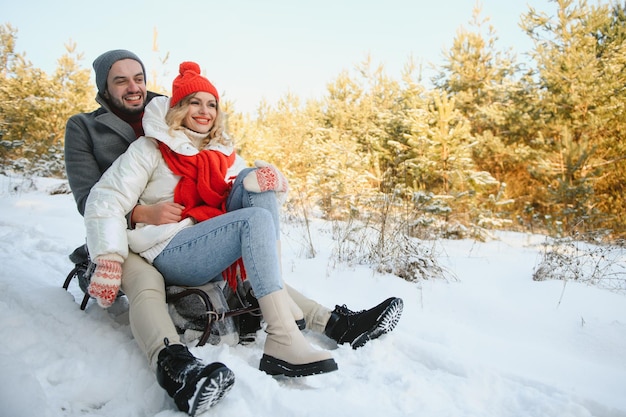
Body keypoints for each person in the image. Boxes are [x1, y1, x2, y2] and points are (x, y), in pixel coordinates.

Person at [83, 60, 340, 376]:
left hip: (209, 245)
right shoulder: (149, 148)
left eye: (211, 104)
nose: (204, 111)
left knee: (253, 178)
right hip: (168, 249)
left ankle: (281, 324)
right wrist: (108, 257)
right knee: (253, 219)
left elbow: (262, 202)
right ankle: (283, 333)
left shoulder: (223, 153)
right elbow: (104, 199)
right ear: (178, 108)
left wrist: (276, 183)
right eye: (195, 102)